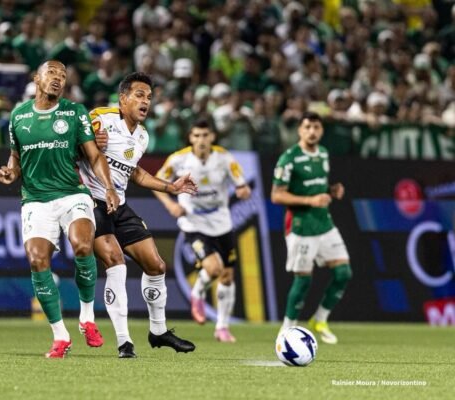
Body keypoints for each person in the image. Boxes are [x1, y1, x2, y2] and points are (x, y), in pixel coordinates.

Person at [0, 60, 120, 359]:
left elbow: (94, 155)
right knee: (37, 260)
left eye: (63, 75)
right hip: (36, 199)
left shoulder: (75, 112)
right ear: (36, 78)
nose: (58, 79)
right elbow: (16, 158)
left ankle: (87, 317)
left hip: (72, 193)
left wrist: (109, 187)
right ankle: (60, 335)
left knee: (82, 245)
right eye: (52, 73)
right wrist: (11, 172)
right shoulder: (18, 115)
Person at [80, 72, 197, 358]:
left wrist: (171, 187)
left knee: (156, 265)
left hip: (118, 204)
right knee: (115, 261)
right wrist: (88, 144)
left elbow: (135, 173)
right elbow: (70, 149)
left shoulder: (142, 136)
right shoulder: (100, 118)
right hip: (90, 202)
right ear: (123, 99)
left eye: (149, 97)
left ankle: (158, 331)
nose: (146, 102)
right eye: (139, 95)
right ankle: (124, 342)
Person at [154, 120, 251, 343]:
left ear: (212, 137)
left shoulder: (225, 158)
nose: (201, 140)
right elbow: (157, 183)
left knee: (227, 276)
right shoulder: (178, 159)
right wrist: (170, 205)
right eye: (197, 135)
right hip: (193, 222)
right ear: (190, 138)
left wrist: (243, 191)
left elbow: (241, 185)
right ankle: (197, 292)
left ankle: (222, 327)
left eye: (205, 135)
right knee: (213, 269)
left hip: (222, 222)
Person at [271, 111, 352, 344]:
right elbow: (276, 195)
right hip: (301, 226)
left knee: (343, 273)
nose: (312, 132)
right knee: (303, 280)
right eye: (307, 127)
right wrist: (310, 200)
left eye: (316, 127)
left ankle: (320, 318)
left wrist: (331, 191)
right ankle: (286, 330)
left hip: (324, 222)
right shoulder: (289, 158)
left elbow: (318, 186)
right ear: (300, 130)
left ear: (322, 130)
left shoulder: (323, 153)